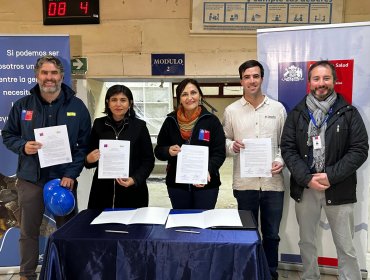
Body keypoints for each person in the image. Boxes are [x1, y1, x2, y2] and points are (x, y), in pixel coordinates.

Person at [2, 55, 91, 280]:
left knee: (66, 232)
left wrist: (71, 174)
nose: (49, 78)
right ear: (37, 75)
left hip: (63, 180)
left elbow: (83, 145)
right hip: (31, 179)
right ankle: (27, 275)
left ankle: (66, 273)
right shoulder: (23, 106)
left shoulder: (77, 106)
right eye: (44, 73)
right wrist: (23, 146)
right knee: (28, 232)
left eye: (53, 73)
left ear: (61, 75)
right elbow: (8, 135)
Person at [281, 60, 369, 279]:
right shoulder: (297, 113)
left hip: (338, 188)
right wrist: (306, 178)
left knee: (345, 245)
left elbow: (359, 150)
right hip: (306, 188)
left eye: (326, 78)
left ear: (334, 80)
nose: (322, 83)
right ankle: (310, 276)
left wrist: (331, 175)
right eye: (316, 79)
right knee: (307, 242)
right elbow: (288, 149)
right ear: (309, 82)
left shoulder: (348, 112)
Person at [222, 60, 287, 280]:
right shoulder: (232, 111)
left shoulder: (277, 109)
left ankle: (270, 273)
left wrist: (280, 160)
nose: (252, 81)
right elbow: (225, 141)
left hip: (272, 183)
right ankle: (249, 273)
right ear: (241, 80)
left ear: (262, 78)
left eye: (256, 76)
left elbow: (285, 144)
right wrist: (233, 146)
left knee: (272, 235)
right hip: (244, 184)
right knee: (247, 233)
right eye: (247, 77)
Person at [154, 78, 226, 209]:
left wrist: (208, 170)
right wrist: (168, 151)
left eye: (193, 93)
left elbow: (219, 153)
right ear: (179, 98)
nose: (189, 98)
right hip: (177, 186)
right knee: (181, 223)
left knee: (203, 223)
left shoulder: (211, 121)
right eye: (184, 94)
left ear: (200, 95)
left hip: (206, 185)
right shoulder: (170, 121)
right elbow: (159, 150)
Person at [85, 84, 155, 209]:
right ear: (107, 102)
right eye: (114, 100)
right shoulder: (99, 124)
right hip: (102, 189)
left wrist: (135, 179)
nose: (118, 104)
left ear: (130, 103)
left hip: (132, 190)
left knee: (132, 226)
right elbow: (89, 157)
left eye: (123, 100)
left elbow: (148, 160)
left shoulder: (139, 126)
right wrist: (88, 159)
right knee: (101, 226)